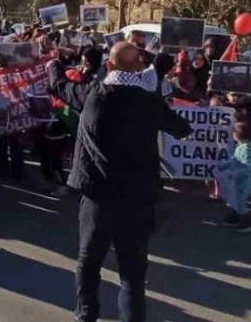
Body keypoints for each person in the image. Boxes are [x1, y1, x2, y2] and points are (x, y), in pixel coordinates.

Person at [70, 41, 192, 322]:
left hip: (99, 193)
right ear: (138, 67)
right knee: (132, 273)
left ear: (110, 65)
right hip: (136, 197)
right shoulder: (149, 101)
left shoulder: (96, 96)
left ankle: (85, 314)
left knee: (89, 260)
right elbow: (180, 127)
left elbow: (70, 88)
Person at [220, 116, 251, 233]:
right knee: (233, 198)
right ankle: (234, 217)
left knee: (239, 201)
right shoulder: (240, 146)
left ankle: (247, 222)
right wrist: (225, 165)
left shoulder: (246, 149)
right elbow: (234, 159)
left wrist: (233, 172)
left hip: (244, 181)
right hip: (237, 179)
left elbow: (247, 166)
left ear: (237, 134)